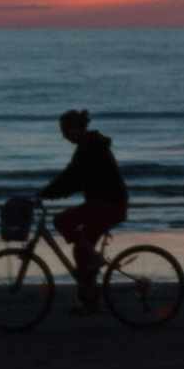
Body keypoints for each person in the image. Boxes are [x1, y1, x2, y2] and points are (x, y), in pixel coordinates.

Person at [38, 108, 129, 310]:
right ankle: (91, 300)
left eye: (65, 130)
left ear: (76, 127)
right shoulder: (88, 145)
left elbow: (73, 177)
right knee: (81, 252)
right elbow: (73, 178)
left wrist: (46, 192)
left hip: (108, 204)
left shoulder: (90, 146)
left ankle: (96, 259)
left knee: (61, 221)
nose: (63, 136)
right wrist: (51, 191)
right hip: (105, 204)